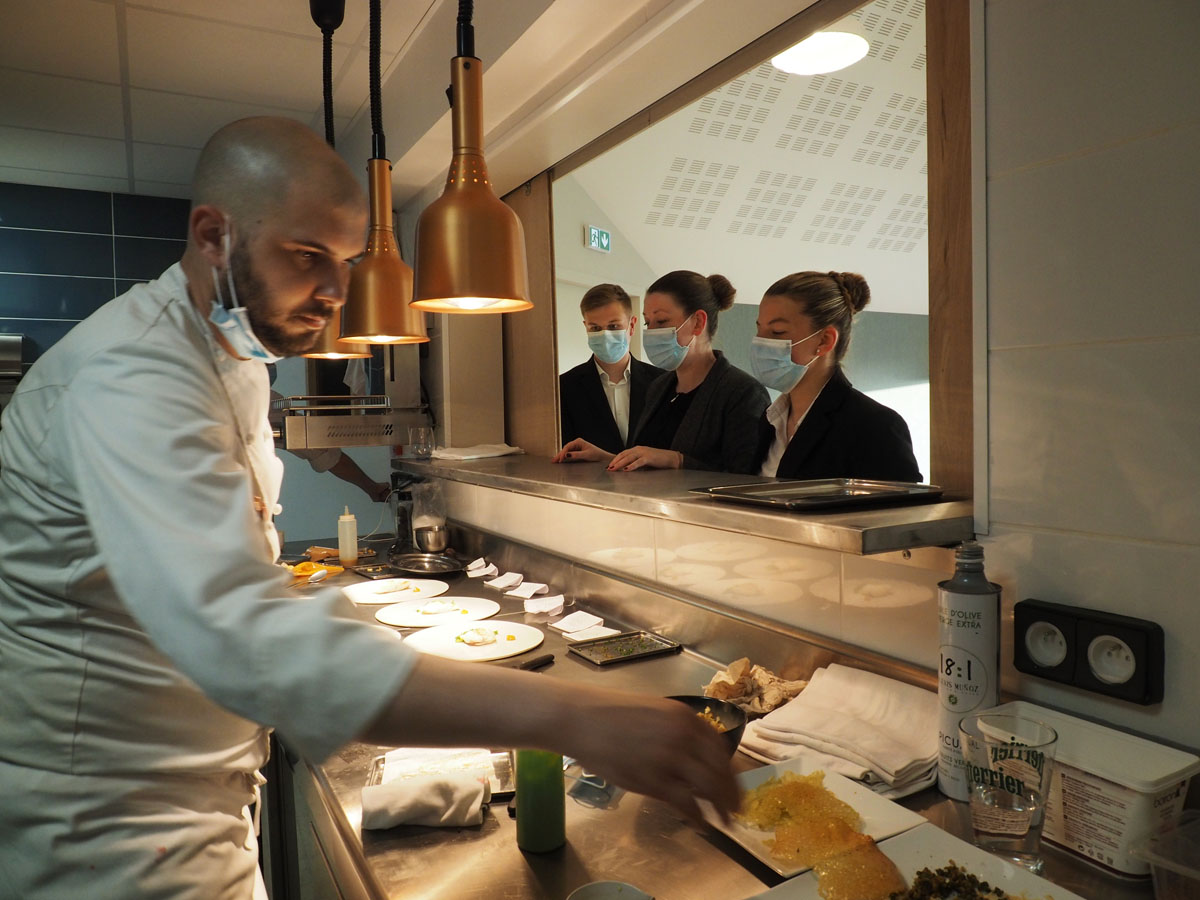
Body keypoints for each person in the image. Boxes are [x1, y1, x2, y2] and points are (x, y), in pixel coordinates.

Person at [0, 117, 738, 899]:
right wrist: (577, 717)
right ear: (212, 234)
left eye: (347, 263)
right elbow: (243, 637)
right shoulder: (133, 375)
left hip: (193, 796)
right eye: (306, 255)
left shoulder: (227, 358)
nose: (335, 293)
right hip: (105, 828)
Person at [554, 271, 768, 472]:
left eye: (662, 321)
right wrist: (608, 459)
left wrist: (677, 460)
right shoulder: (660, 388)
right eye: (649, 323)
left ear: (698, 322)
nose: (652, 333)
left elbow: (744, 479)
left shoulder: (742, 393)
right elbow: (650, 464)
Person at [749, 271, 921, 481]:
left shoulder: (875, 426)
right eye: (759, 331)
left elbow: (900, 512)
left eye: (777, 332)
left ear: (825, 340)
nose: (761, 343)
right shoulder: (769, 421)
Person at [558, 283, 664, 454]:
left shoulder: (662, 383)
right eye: (595, 328)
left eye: (614, 326)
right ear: (586, 327)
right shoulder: (563, 387)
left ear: (632, 325)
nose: (605, 335)